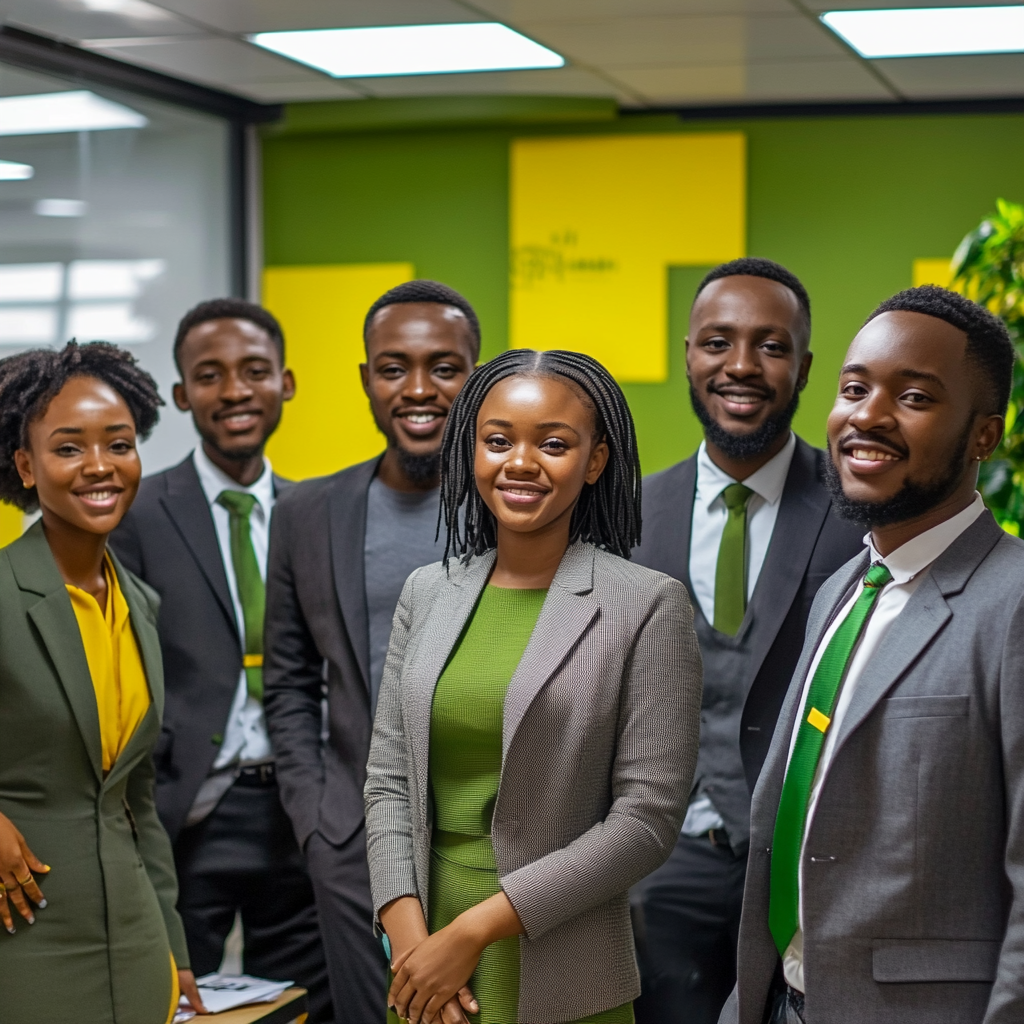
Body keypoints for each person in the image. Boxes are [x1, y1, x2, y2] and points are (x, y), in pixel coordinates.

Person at [365, 348, 703, 1024]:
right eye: (498, 441)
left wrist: (472, 932)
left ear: (596, 460)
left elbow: (646, 821)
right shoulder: (427, 593)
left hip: (560, 960)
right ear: (471, 451)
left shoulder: (647, 605)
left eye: (553, 443)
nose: (521, 462)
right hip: (424, 961)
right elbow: (388, 781)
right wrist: (411, 947)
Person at [722, 285, 1023, 1024]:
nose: (867, 416)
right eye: (854, 388)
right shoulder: (840, 594)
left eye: (914, 397)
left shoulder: (1013, 602)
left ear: (984, 437)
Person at [631, 258, 862, 1024]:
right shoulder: (625, 514)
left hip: (808, 867)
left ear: (804, 368)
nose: (741, 366)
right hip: (659, 871)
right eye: (717, 342)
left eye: (770, 346)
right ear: (687, 355)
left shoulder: (859, 513)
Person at [110, 299, 332, 1020]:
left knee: (303, 1006)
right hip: (186, 812)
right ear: (181, 396)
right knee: (178, 1006)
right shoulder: (136, 512)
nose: (234, 390)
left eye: (254, 371)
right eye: (209, 376)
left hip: (299, 812)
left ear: (287, 383)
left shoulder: (317, 513)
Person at [264, 279, 480, 1019]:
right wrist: (316, 822)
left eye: (444, 367)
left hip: (489, 845)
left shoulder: (522, 506)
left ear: (476, 377)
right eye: (393, 368)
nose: (418, 388)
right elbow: (291, 681)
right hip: (353, 846)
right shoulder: (306, 513)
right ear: (365, 380)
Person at [0, 341, 205, 1023]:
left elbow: (135, 800)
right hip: (21, 931)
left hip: (134, 932)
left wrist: (173, 945)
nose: (99, 467)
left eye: (118, 444)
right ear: (25, 466)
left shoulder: (139, 603)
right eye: (68, 449)